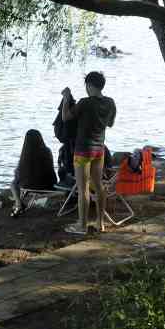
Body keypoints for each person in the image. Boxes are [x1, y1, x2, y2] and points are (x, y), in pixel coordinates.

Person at [61, 71, 116, 234]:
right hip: (99, 150)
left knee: (83, 188)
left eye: (86, 86)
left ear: (90, 85)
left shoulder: (85, 103)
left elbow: (65, 117)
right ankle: (100, 223)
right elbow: (111, 123)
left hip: (83, 151)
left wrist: (66, 98)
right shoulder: (110, 102)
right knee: (99, 186)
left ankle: (82, 226)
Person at [10, 129, 57, 216]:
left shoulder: (25, 154)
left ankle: (18, 202)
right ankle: (18, 203)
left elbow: (19, 173)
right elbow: (51, 170)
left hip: (28, 186)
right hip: (47, 186)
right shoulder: (47, 151)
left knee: (13, 183)